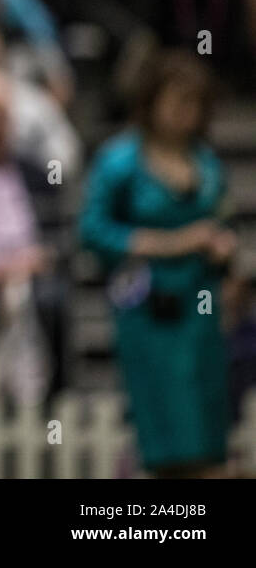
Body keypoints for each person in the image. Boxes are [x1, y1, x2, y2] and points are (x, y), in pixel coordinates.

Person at [79, 50, 234, 476]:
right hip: (149, 306)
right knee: (165, 414)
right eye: (178, 101)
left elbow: (223, 218)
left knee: (206, 408)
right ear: (152, 101)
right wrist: (168, 243)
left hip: (200, 306)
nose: (187, 113)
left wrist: (222, 250)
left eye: (195, 103)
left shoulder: (206, 162)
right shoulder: (120, 161)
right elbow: (92, 230)